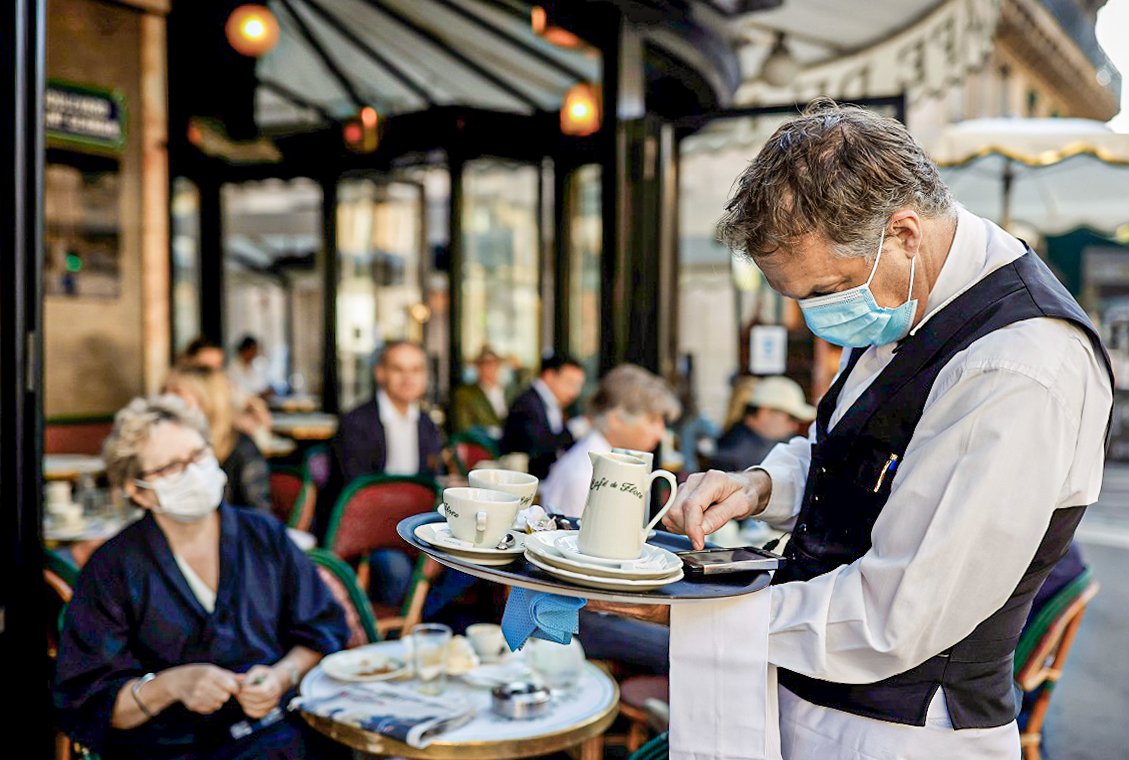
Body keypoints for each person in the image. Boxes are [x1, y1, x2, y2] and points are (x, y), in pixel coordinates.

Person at [656, 101, 1113, 757]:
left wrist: (687, 612)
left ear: (902, 233)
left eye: (823, 291)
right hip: (820, 701)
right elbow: (861, 447)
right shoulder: (904, 295)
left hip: (898, 734)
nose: (814, 316)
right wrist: (760, 484)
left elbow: (898, 613)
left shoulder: (1016, 366)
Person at [54, 395, 348, 759]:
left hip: (276, 737)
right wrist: (170, 686)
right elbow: (89, 700)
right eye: (171, 468)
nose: (193, 472)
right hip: (171, 749)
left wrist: (281, 676)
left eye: (198, 455)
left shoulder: (264, 536)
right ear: (137, 491)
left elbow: (323, 631)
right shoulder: (113, 567)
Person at [330, 341, 444, 606]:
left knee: (470, 566)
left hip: (417, 529)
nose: (408, 378)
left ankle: (418, 622)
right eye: (398, 369)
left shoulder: (428, 424)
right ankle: (398, 630)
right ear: (380, 373)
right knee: (397, 570)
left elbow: (433, 482)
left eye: (416, 370)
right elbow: (357, 495)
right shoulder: (356, 423)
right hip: (370, 535)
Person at [540, 364, 681, 518]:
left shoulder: (596, 462)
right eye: (652, 420)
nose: (660, 433)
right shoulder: (586, 476)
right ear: (615, 419)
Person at [165, 365, 272, 516]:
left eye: (177, 393)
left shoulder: (241, 448)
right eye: (164, 392)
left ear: (207, 399)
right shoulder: (166, 446)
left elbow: (259, 515)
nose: (166, 400)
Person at [501, 352, 586, 479]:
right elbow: (536, 448)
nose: (575, 392)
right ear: (549, 376)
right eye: (570, 383)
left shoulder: (553, 403)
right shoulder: (527, 403)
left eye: (578, 385)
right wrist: (573, 430)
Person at [711, 376, 815, 472]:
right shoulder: (734, 456)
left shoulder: (735, 443)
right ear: (764, 412)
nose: (794, 426)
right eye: (791, 418)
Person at [451, 345, 508, 438]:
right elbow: (464, 428)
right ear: (478, 367)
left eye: (494, 364)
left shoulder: (507, 391)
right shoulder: (465, 394)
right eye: (486, 364)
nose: (490, 368)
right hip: (483, 446)